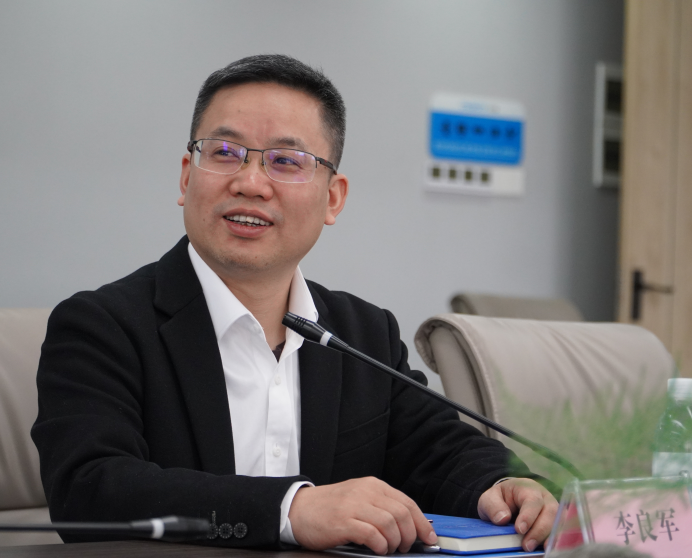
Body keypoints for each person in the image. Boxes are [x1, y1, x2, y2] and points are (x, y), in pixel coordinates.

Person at [32, 54, 557, 554]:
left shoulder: (361, 333)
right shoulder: (101, 327)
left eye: (286, 161)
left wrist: (505, 484)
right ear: (187, 176)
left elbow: (439, 450)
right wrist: (289, 510)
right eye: (224, 152)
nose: (250, 183)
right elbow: (89, 490)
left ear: (333, 198)